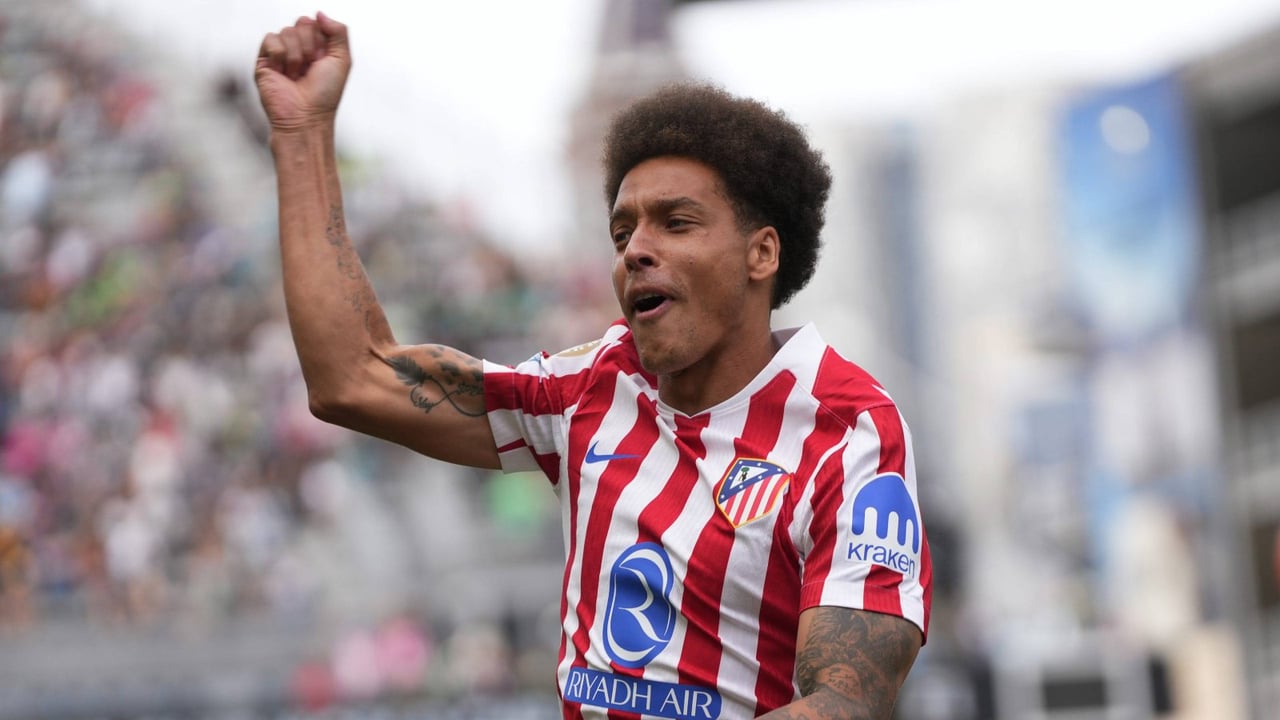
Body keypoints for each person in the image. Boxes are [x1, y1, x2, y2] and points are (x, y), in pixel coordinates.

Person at [256, 12, 931, 720]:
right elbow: (352, 380)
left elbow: (847, 703)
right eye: (622, 231)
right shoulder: (592, 388)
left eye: (676, 222)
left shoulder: (849, 431)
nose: (635, 249)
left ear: (761, 253)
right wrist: (301, 135)